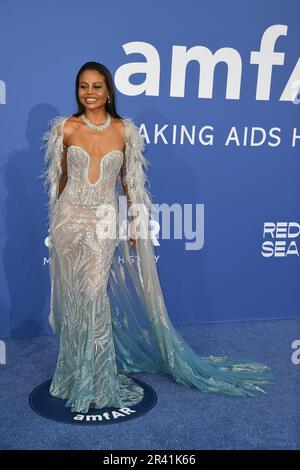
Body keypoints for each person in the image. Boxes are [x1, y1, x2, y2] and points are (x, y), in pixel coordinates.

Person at [40, 61, 275, 414]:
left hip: (104, 222)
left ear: (109, 91)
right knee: (74, 301)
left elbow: (130, 183)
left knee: (92, 294)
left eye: (97, 86)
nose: (89, 93)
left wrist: (136, 221)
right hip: (69, 222)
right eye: (83, 86)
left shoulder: (124, 132)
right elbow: (58, 181)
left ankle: (98, 379)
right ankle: (72, 374)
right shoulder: (65, 129)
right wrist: (55, 220)